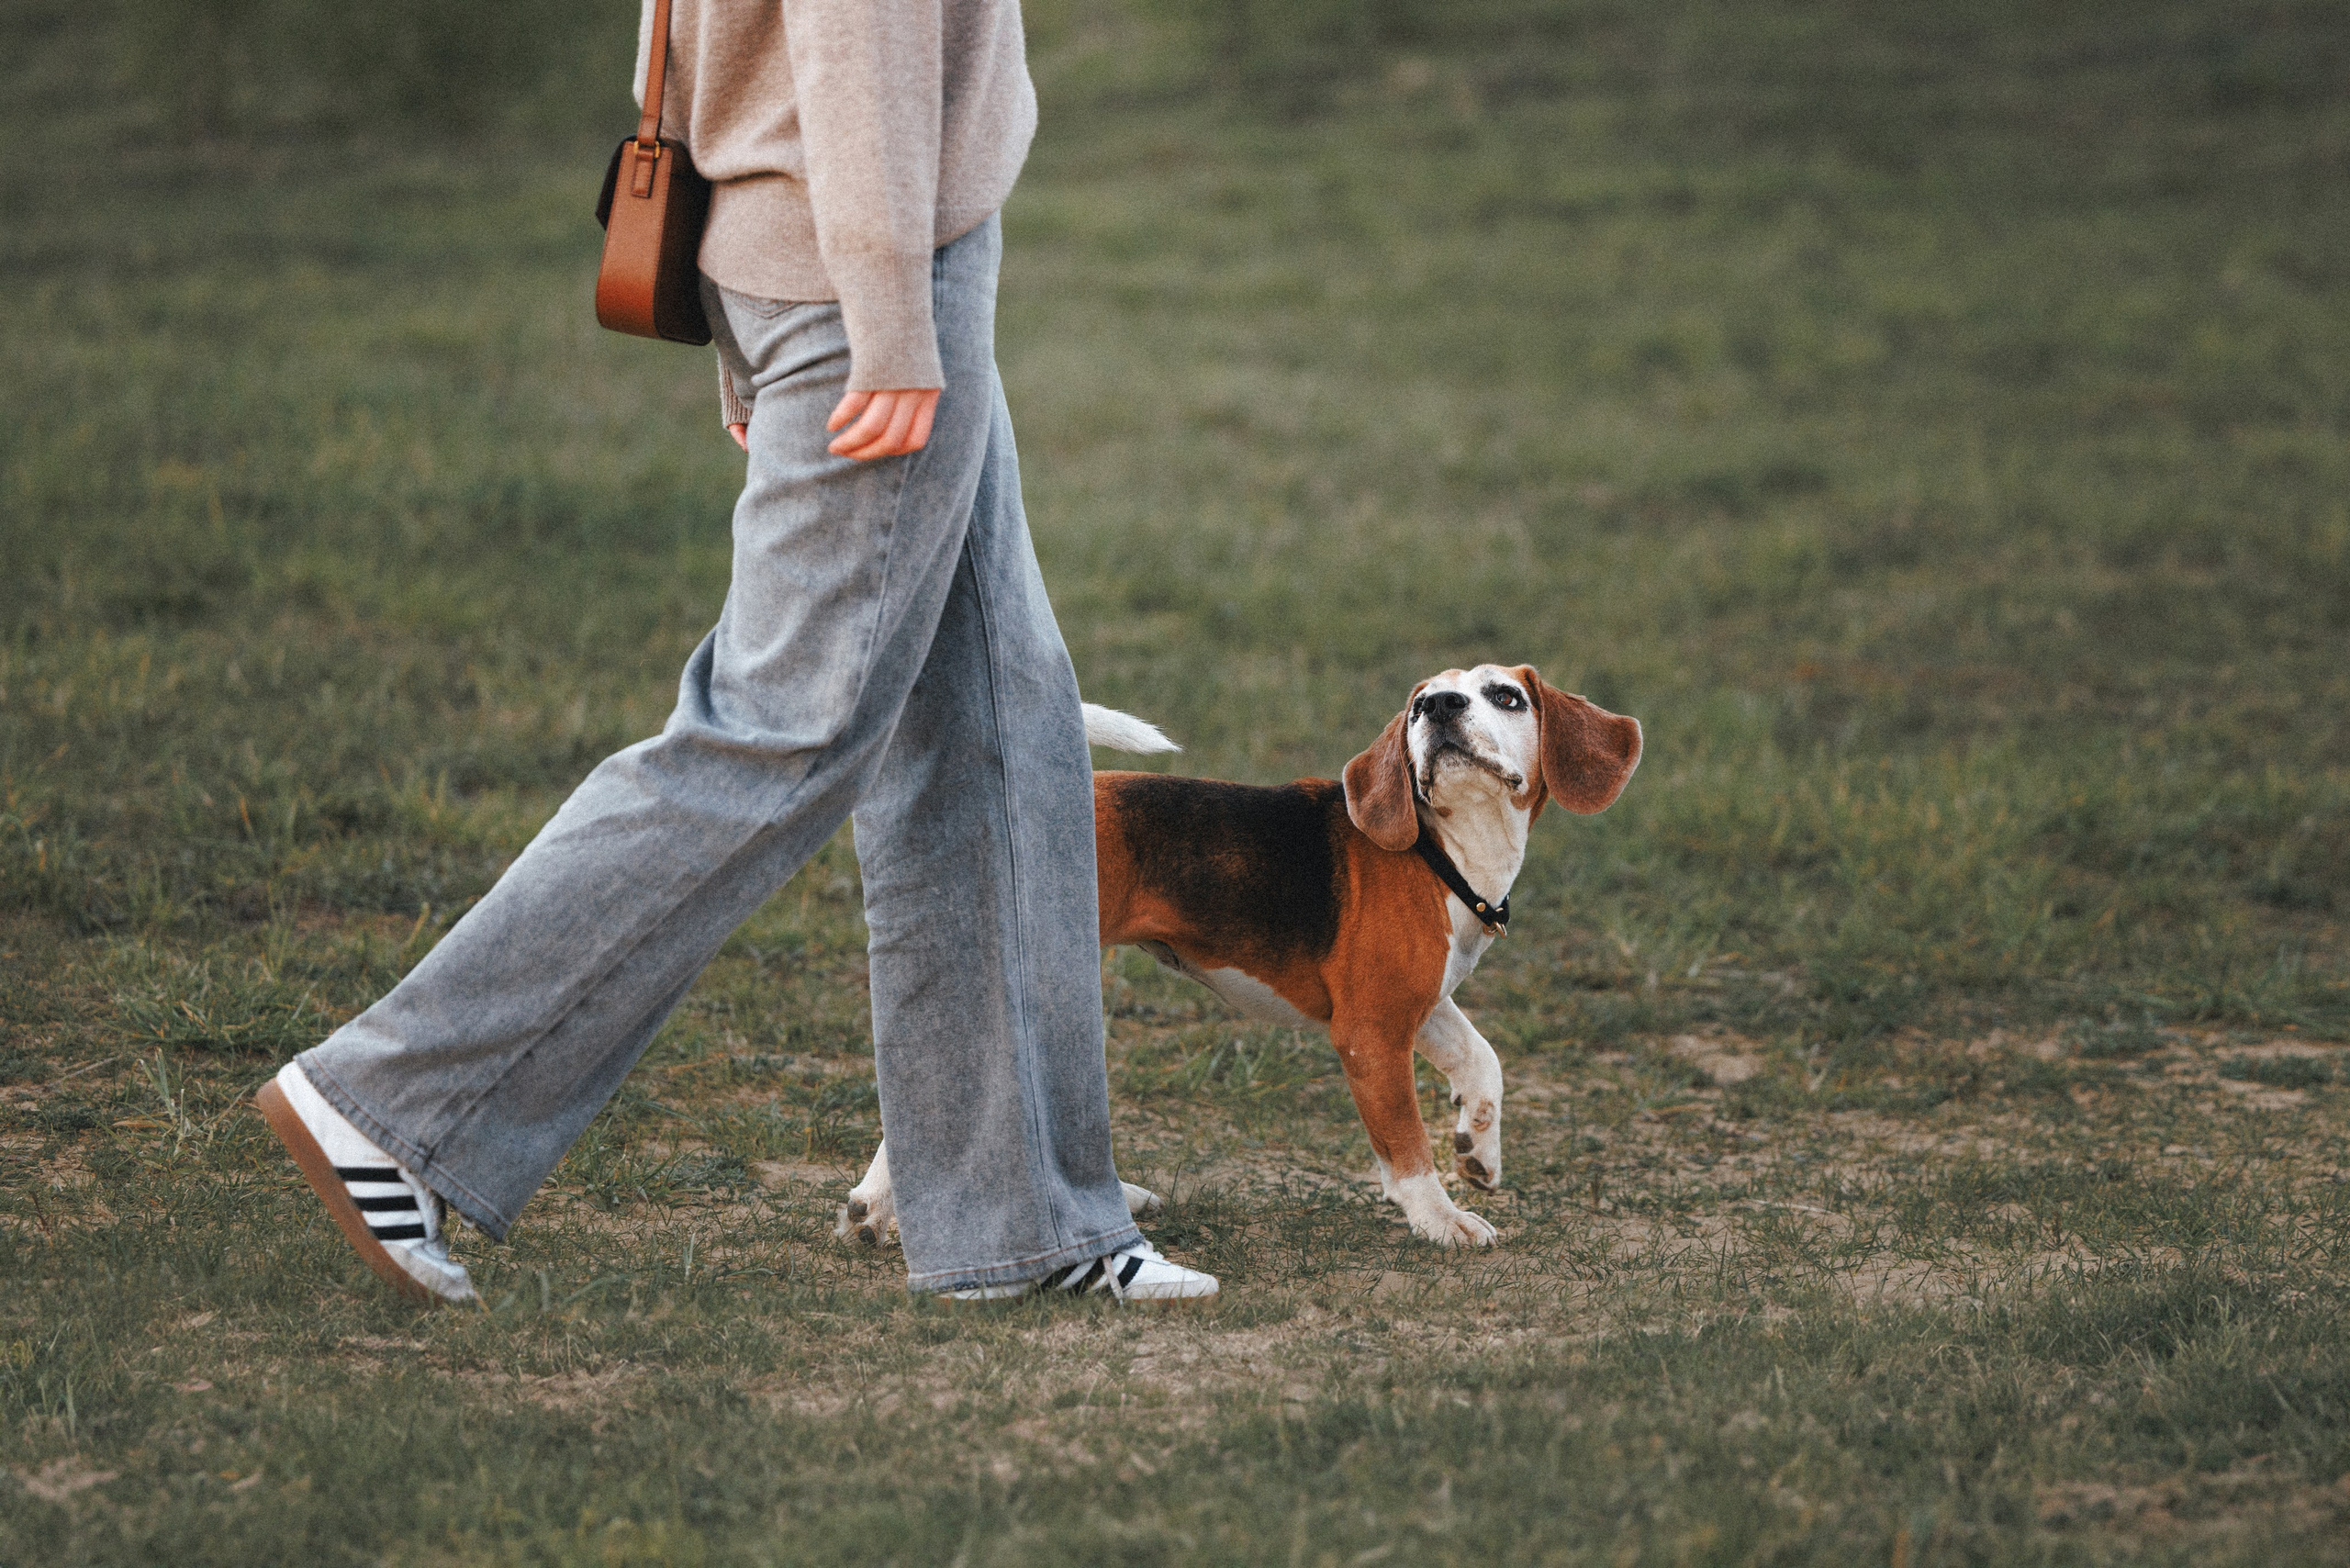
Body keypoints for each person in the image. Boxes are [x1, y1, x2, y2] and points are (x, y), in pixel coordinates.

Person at [253, 0, 1215, 1306]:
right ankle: (393, 1099)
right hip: (863, 268)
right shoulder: (874, 279)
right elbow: (854, 36)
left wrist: (737, 298)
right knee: (777, 727)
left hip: (809, 250)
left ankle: (1020, 1221)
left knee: (994, 706)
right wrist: (881, 312)